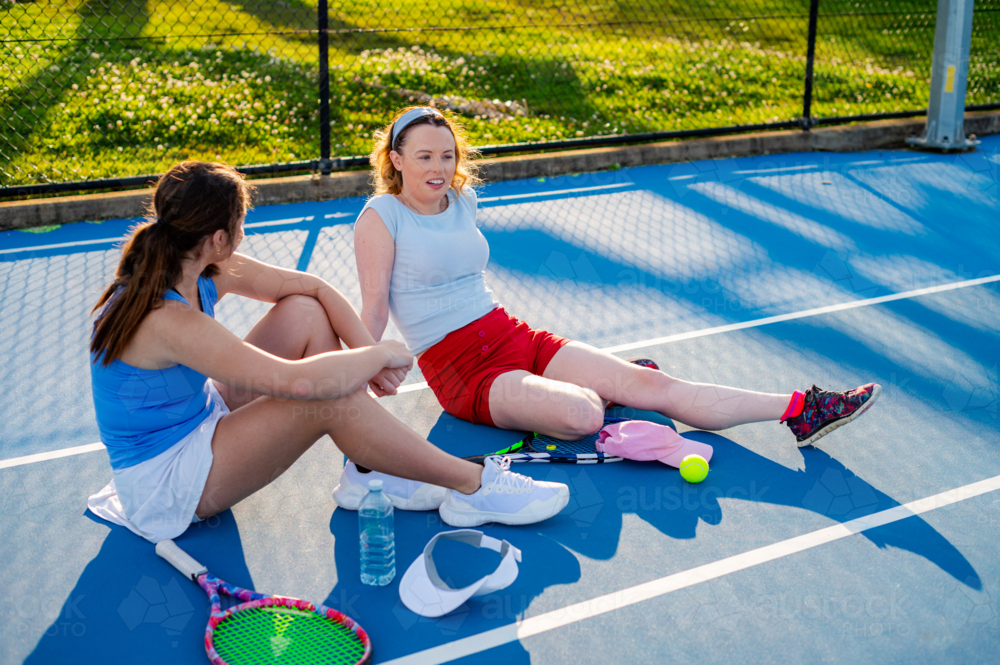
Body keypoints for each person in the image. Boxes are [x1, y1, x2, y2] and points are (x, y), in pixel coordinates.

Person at [352, 106, 881, 464]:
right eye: (424, 156)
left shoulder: (463, 201)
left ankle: (800, 409)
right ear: (396, 160)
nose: (439, 168)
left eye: (447, 156)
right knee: (581, 412)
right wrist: (352, 377)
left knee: (655, 388)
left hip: (513, 336)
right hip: (463, 369)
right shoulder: (383, 216)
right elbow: (373, 309)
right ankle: (603, 397)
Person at [86, 160, 568, 543]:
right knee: (327, 399)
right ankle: (473, 485)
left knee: (303, 312)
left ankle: (366, 470)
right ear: (217, 238)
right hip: (167, 482)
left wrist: (366, 349)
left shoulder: (203, 266)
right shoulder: (170, 320)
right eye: (241, 223)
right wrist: (378, 358)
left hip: (200, 417)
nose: (244, 232)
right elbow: (299, 384)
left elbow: (311, 289)